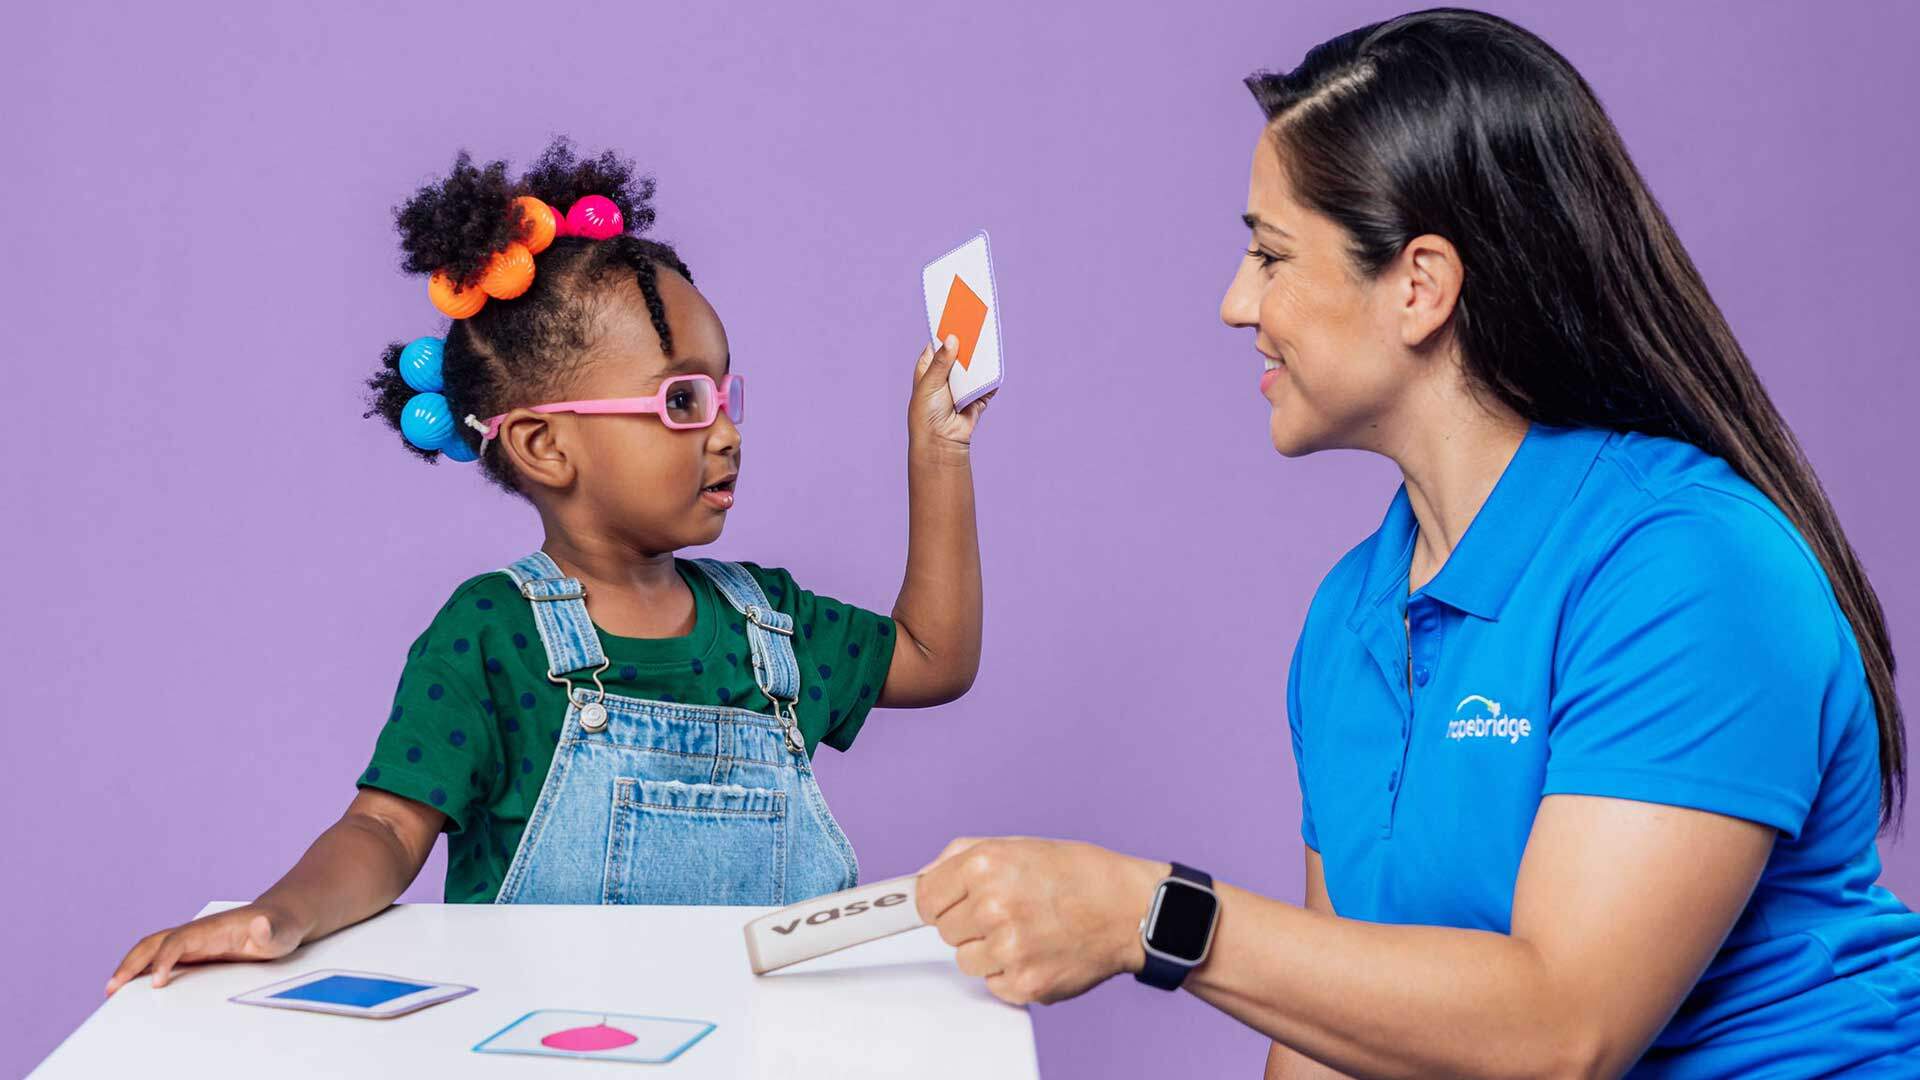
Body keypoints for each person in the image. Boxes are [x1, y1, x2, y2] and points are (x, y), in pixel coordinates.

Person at [916, 9, 1918, 1076]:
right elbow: (1335, 1043)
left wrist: (1145, 916)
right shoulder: (1351, 622)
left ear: (1420, 285)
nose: (1234, 302)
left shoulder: (1692, 572)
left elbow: (1563, 1031)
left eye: (1269, 253)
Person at [108, 139, 991, 993]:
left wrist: (937, 452)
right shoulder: (491, 636)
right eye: (683, 399)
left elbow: (935, 656)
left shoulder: (771, 624)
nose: (726, 431)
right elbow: (383, 824)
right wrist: (280, 916)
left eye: (727, 394)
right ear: (542, 445)